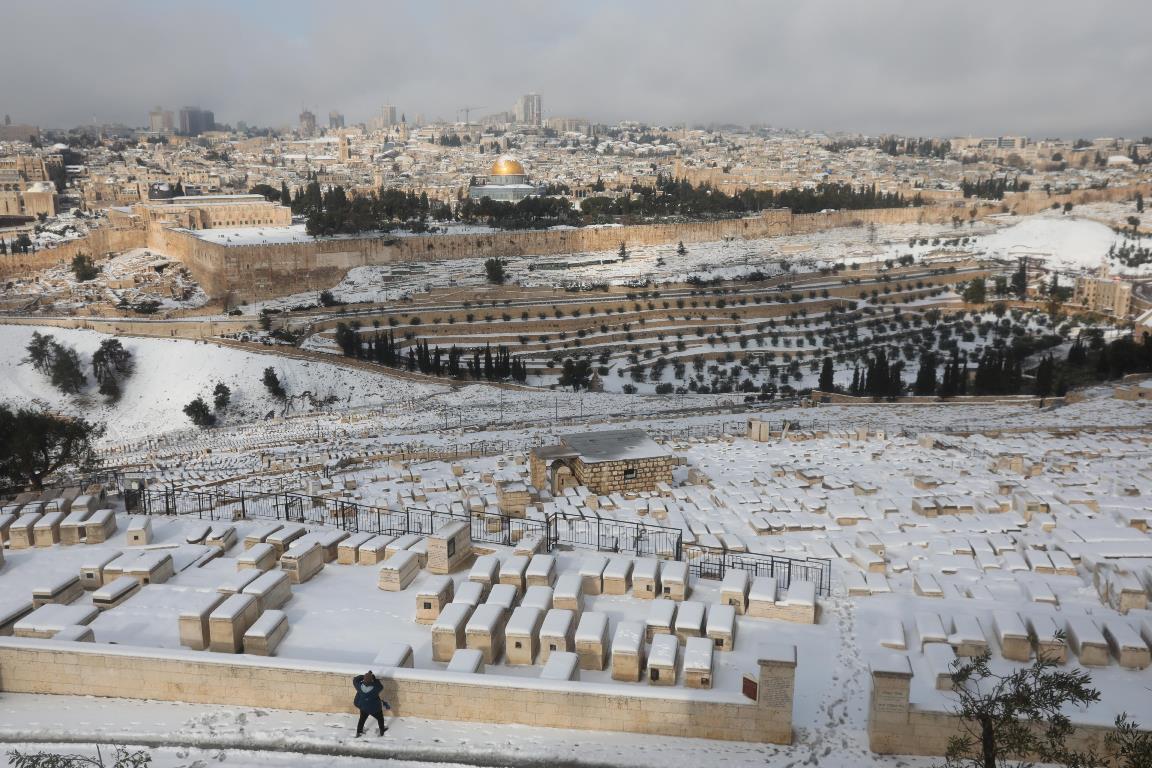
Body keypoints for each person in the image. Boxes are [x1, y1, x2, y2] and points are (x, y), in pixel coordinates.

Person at [352, 670, 391, 737]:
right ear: (371, 681)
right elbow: (381, 686)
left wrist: (364, 676)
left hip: (364, 707)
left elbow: (355, 679)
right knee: (380, 718)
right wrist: (374, 679)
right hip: (375, 708)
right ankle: (382, 730)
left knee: (362, 719)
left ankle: (359, 732)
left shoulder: (359, 686)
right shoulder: (375, 688)